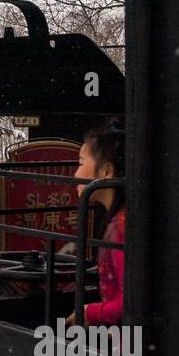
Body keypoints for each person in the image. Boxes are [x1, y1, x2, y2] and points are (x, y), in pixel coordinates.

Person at [69, 118, 126, 326]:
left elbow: (131, 301)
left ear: (106, 172)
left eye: (81, 162)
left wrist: (91, 313)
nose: (75, 173)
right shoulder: (119, 220)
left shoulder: (120, 227)